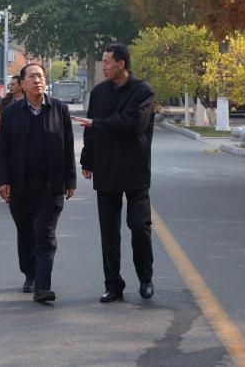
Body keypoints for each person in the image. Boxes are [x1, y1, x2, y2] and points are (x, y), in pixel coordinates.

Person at [75, 43, 155, 303]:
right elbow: (90, 130)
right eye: (102, 61)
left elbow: (134, 124)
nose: (104, 66)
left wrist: (99, 123)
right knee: (109, 232)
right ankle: (113, 285)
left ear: (121, 64)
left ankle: (145, 278)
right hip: (106, 169)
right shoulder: (99, 93)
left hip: (135, 171)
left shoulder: (143, 91)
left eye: (107, 62)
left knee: (139, 226)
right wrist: (87, 160)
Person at [0, 64, 76, 303]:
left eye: (40, 76)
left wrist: (70, 179)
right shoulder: (11, 112)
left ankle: (43, 286)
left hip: (51, 186)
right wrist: (3, 180)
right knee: (26, 233)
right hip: (20, 185)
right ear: (22, 84)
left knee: (46, 235)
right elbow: (2, 148)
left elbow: (68, 145)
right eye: (31, 77)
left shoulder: (59, 109)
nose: (37, 80)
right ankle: (29, 273)